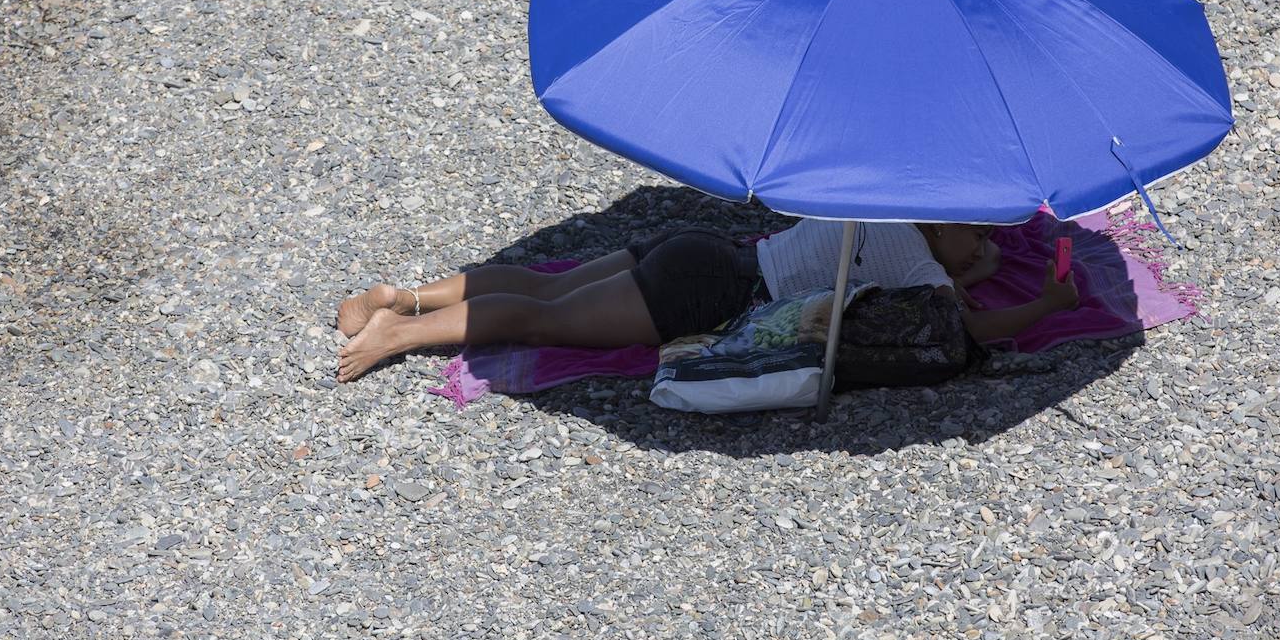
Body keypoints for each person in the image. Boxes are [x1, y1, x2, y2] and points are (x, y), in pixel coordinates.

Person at [335, 218, 1080, 383]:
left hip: (700, 250)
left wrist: (964, 270)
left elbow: (940, 285)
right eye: (976, 238)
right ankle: (395, 338)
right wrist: (1045, 304)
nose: (985, 248)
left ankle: (397, 297)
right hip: (712, 291)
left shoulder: (873, 208)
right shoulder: (917, 261)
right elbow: (968, 325)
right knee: (547, 317)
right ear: (942, 228)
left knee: (545, 283)